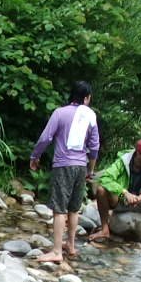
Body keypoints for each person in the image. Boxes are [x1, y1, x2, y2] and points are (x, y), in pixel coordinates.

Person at [28, 81, 99, 266]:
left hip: (63, 165)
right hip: (81, 165)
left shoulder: (60, 113)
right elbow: (94, 147)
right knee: (74, 208)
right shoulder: (91, 115)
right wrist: (90, 170)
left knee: (59, 209)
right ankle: (71, 245)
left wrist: (35, 156)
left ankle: (57, 251)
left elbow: (46, 138)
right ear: (86, 97)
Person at [88, 136, 141, 245]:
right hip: (121, 201)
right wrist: (124, 192)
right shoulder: (122, 162)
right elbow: (106, 178)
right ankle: (105, 229)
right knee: (101, 190)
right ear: (139, 154)